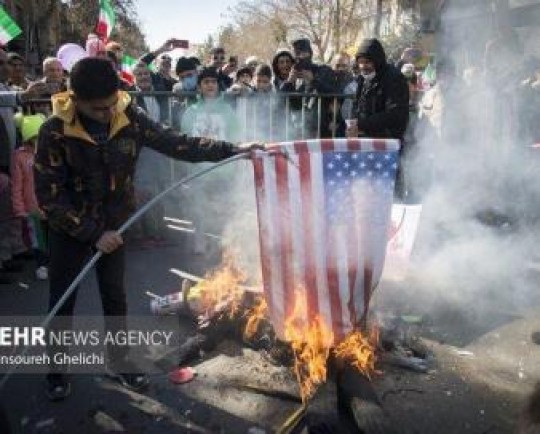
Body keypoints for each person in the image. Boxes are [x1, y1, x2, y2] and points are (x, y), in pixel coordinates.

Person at [34, 57, 255, 400]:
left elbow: (178, 143)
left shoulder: (129, 115)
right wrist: (93, 234)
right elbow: (48, 198)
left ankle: (121, 363)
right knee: (63, 303)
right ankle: (57, 372)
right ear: (74, 99)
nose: (108, 114)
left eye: (111, 104)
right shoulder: (53, 131)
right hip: (71, 231)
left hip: (116, 225)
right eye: (97, 109)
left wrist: (232, 150)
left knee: (115, 298)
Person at [346, 38, 409, 198]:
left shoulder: (394, 78)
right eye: (360, 62)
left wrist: (361, 124)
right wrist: (353, 123)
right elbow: (358, 106)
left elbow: (395, 114)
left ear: (377, 60)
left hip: (387, 145)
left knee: (388, 194)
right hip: (366, 145)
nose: (363, 67)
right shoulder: (363, 79)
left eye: (367, 62)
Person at [11, 114, 48, 280]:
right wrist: (19, 209)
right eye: (35, 137)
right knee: (38, 239)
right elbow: (16, 186)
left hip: (51, 204)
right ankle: (42, 265)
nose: (38, 141)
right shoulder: (20, 157)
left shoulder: (49, 152)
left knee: (54, 234)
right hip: (33, 207)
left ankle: (55, 262)